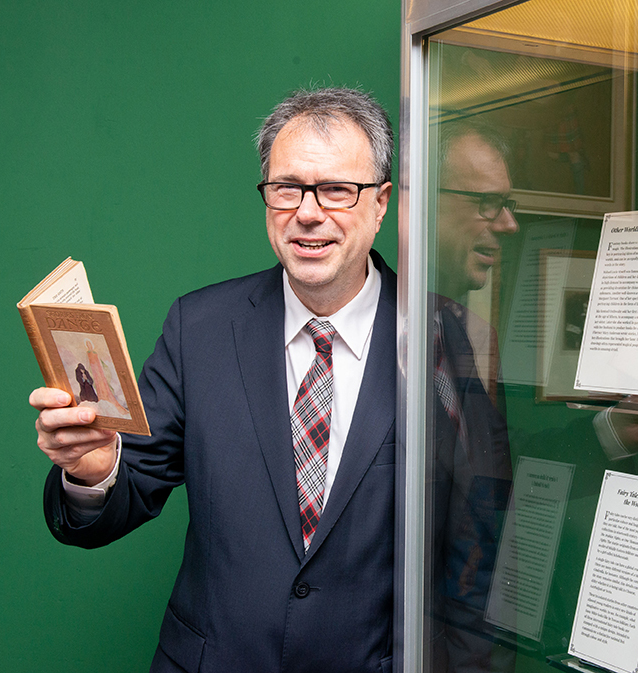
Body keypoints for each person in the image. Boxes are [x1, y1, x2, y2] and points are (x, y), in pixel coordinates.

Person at [30, 87, 396, 672]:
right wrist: (94, 472)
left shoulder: (444, 340)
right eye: (287, 188)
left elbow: (478, 549)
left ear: (381, 204)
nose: (307, 212)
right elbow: (126, 489)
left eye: (337, 190)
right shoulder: (197, 328)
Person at [430, 121, 518, 672]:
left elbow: (490, 478)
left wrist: (610, 431)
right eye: (488, 203)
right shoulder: (360, 338)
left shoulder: (465, 333)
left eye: (507, 204)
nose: (508, 225)